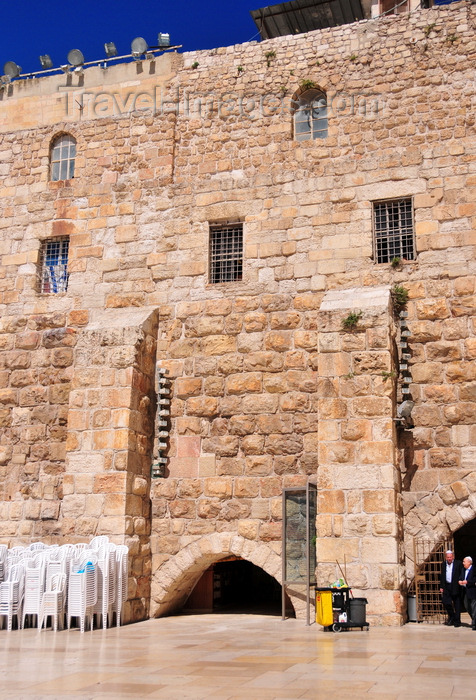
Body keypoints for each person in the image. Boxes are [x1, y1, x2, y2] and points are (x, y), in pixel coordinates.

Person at [439, 550, 463, 626]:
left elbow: (461, 573)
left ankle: (457, 621)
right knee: (446, 602)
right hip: (447, 586)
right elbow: (442, 576)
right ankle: (452, 616)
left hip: (455, 586)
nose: (449, 558)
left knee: (457, 604)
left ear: (453, 557)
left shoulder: (458, 563)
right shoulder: (443, 564)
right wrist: (441, 586)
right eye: (448, 557)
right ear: (446, 557)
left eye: (450, 557)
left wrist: (461, 582)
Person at [459, 556, 476, 630]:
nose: (463, 563)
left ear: (469, 562)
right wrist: (460, 581)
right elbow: (461, 577)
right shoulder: (463, 569)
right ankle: (474, 619)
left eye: (464, 561)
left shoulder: (474, 569)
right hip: (465, 591)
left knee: (474, 607)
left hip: (472, 591)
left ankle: (474, 623)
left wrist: (468, 582)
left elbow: (474, 579)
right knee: (467, 606)